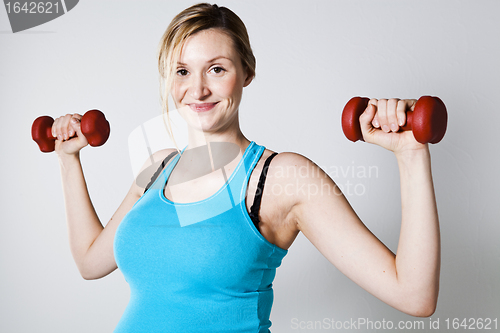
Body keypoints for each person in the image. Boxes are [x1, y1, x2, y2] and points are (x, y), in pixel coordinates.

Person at [50, 3, 440, 332]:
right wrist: (68, 159)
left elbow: (414, 295)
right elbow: (90, 261)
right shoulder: (158, 167)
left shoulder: (281, 177)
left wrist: (410, 155)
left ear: (247, 72)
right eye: (182, 71)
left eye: (216, 69)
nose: (198, 89)